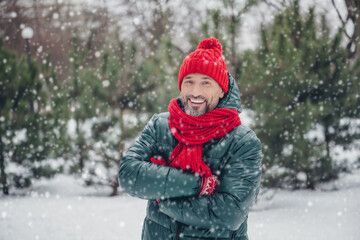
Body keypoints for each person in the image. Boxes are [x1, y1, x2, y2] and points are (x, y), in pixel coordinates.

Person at [118, 37, 262, 240]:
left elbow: (230, 213)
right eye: (189, 82)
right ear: (181, 86)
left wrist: (163, 196)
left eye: (206, 83)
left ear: (221, 89)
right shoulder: (161, 126)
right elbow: (128, 174)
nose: (195, 92)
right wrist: (198, 185)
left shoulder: (242, 141)